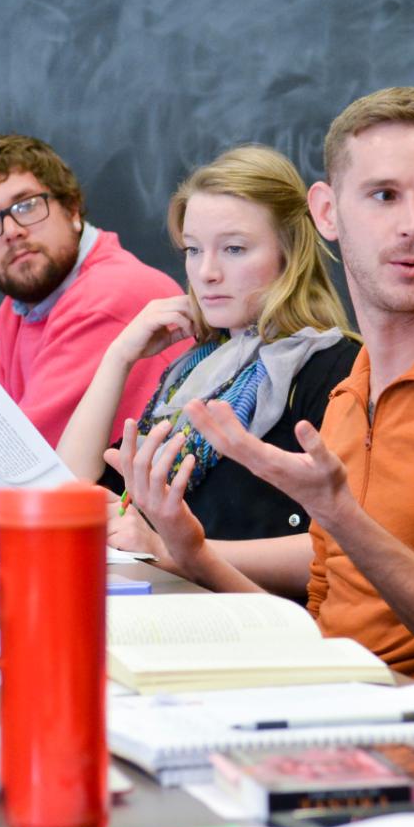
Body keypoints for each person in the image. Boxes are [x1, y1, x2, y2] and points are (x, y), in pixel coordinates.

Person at [106, 87, 414, 710]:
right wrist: (191, 552)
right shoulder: (351, 393)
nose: (413, 226)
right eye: (383, 196)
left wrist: (342, 516)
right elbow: (325, 636)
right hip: (326, 701)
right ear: (326, 213)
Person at [60, 145, 358, 553]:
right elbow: (66, 492)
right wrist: (118, 356)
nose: (206, 273)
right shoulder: (193, 371)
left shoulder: (335, 367)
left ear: (289, 254)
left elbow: (342, 549)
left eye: (234, 249)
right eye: (193, 250)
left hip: (258, 614)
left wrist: (170, 549)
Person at [0, 132, 185, 491]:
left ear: (72, 210)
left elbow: (30, 472)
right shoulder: (22, 307)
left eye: (27, 205)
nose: (12, 231)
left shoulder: (112, 293)